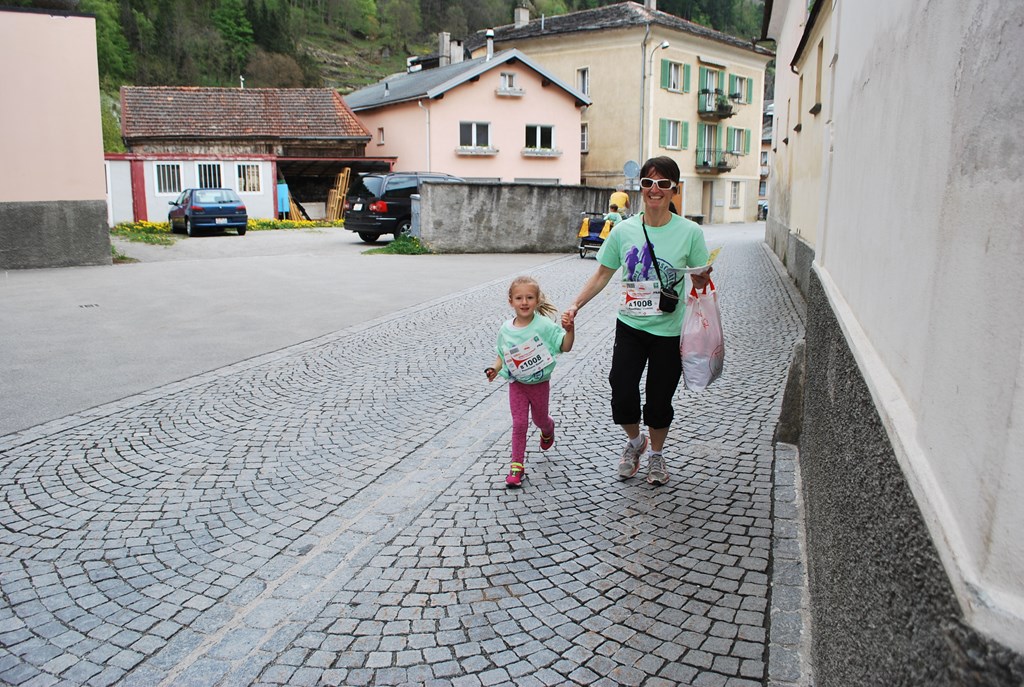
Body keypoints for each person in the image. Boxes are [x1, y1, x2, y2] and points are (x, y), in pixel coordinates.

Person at [561, 156, 711, 486]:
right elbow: (602, 274)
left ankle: (656, 454)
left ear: (674, 189)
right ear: (640, 187)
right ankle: (635, 442)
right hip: (630, 325)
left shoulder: (690, 233)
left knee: (659, 398)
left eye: (663, 183)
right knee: (621, 390)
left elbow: (700, 279)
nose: (655, 189)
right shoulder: (624, 231)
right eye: (648, 183)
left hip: (669, 330)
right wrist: (575, 305)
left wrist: (701, 280)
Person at [486, 276, 575, 487]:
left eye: (529, 298)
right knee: (519, 423)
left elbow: (565, 346)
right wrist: (494, 369)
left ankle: (548, 428)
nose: (524, 302)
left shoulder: (544, 325)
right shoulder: (506, 329)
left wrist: (570, 330)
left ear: (537, 300)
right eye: (519, 298)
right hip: (517, 384)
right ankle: (516, 467)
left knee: (539, 419)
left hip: (539, 384)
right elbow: (502, 355)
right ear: (511, 301)